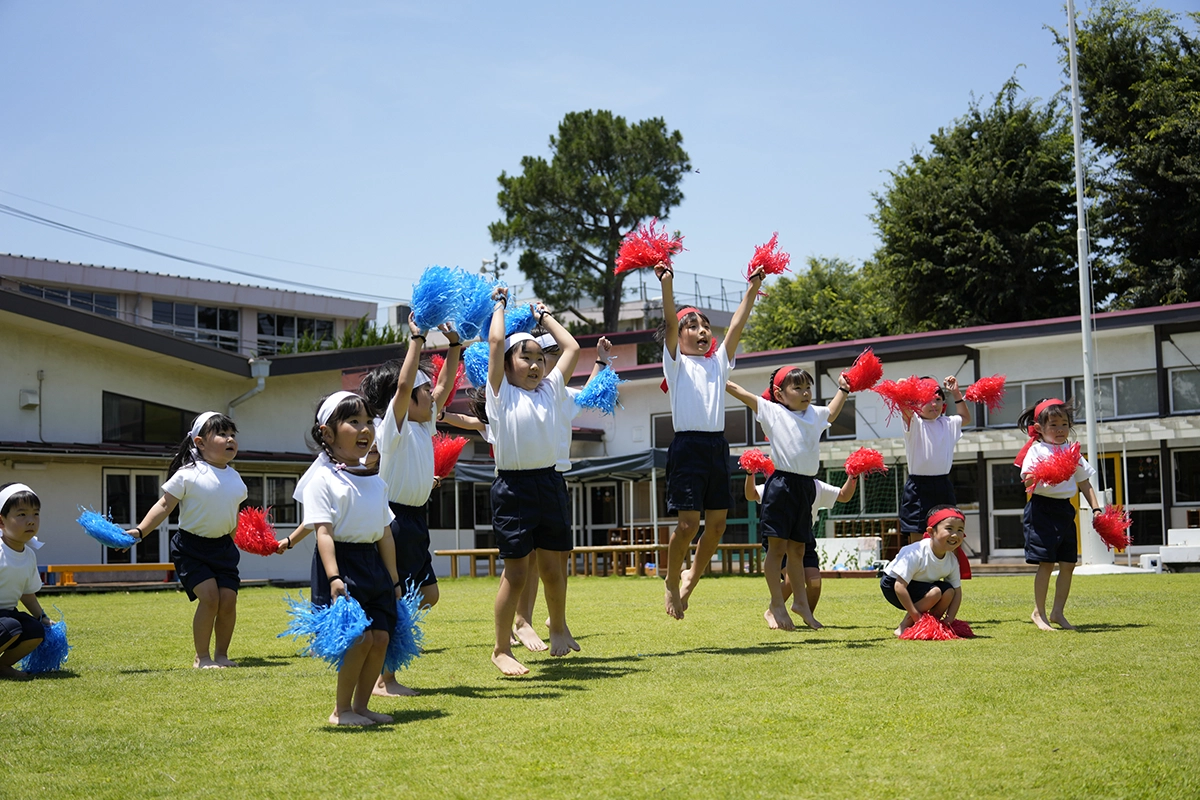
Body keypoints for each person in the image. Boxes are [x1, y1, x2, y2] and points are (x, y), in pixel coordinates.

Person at [357, 315, 460, 696]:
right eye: (423, 390)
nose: (431, 396)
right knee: (398, 597)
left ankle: (384, 635)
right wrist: (416, 339)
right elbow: (402, 385)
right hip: (395, 520)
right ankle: (386, 678)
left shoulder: (420, 424)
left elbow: (445, 386)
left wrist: (454, 346)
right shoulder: (391, 425)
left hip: (415, 520)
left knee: (428, 595)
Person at [657, 262, 766, 620]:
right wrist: (668, 283)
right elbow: (671, 322)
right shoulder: (675, 363)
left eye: (705, 326)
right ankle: (672, 580)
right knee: (688, 524)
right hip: (687, 448)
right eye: (694, 326)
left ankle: (691, 580)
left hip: (717, 447)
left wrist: (753, 286)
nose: (702, 331)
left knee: (717, 525)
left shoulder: (719, 362)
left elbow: (737, 324)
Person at [485, 288, 581, 675]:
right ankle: (500, 647)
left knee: (554, 569)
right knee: (518, 572)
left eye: (541, 358)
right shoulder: (500, 393)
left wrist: (544, 317)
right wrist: (500, 305)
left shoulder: (550, 391)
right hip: (513, 489)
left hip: (549, 483)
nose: (537, 364)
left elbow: (571, 347)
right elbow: (495, 340)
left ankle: (557, 626)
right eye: (525, 357)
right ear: (506, 366)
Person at [293, 390, 403, 725]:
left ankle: (362, 706)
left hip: (374, 565)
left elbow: (384, 533)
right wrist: (334, 577)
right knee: (359, 638)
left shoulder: (374, 480)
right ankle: (341, 710)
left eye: (368, 421)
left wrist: (395, 579)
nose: (365, 429)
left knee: (381, 637)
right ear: (327, 432)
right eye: (353, 422)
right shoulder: (322, 481)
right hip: (343, 564)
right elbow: (323, 532)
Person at [506, 333, 612, 653]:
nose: (544, 360)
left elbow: (589, 394)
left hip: (555, 478)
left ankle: (555, 620)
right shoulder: (519, 395)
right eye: (539, 354)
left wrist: (602, 361)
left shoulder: (558, 392)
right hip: (528, 478)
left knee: (557, 559)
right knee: (529, 560)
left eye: (548, 354)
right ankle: (521, 619)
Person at [727, 369, 850, 630]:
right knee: (777, 549)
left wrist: (844, 389)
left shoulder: (814, 415)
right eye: (798, 388)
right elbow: (741, 393)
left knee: (798, 549)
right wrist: (715, 377)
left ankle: (801, 604)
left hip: (805, 487)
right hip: (781, 486)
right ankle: (777, 604)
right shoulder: (772, 412)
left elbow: (832, 411)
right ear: (780, 394)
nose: (805, 392)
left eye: (808, 387)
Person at [129, 412, 246, 668]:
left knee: (228, 600)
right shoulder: (187, 474)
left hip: (223, 548)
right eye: (222, 434)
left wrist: (233, 542)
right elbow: (163, 505)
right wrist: (139, 532)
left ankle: (222, 656)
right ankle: (202, 658)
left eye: (232, 435)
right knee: (210, 598)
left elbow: (232, 516)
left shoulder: (236, 478)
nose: (230, 439)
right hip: (191, 547)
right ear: (200, 442)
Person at [1016, 398, 1102, 632]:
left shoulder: (1072, 451)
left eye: (1064, 424)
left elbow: (1085, 483)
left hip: (1065, 509)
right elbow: (1028, 481)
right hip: (1042, 509)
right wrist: (1046, 473)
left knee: (1068, 564)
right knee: (1046, 563)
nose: (1060, 429)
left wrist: (1096, 509)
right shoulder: (1036, 450)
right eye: (1053, 425)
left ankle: (1057, 613)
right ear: (1040, 428)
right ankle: (1038, 612)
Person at [743, 470, 857, 621]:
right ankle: (773, 610)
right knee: (790, 580)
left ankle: (807, 615)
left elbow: (844, 495)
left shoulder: (816, 486)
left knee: (815, 582)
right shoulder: (777, 484)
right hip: (780, 537)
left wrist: (853, 476)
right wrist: (749, 473)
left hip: (804, 537)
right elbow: (751, 494)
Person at [899, 377, 972, 545]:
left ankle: (944, 569)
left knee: (947, 532)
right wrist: (904, 389)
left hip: (943, 485)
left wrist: (955, 392)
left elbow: (965, 418)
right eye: (927, 400)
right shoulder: (914, 423)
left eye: (938, 399)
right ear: (916, 404)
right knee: (917, 538)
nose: (934, 404)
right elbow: (905, 409)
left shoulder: (947, 423)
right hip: (918, 487)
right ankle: (917, 570)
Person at [880, 505, 965, 636]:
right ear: (931, 532)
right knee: (935, 592)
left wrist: (949, 620)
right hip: (893, 585)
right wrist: (916, 617)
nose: (955, 534)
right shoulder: (916, 552)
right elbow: (899, 586)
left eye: (960, 530)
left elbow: (957, 592)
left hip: (920, 584)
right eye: (949, 528)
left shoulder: (952, 560)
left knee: (948, 591)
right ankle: (904, 627)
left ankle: (933, 625)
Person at [0, 483, 50, 681]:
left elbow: (27, 594)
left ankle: (2, 667)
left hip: (6, 615)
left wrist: (43, 618)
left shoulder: (29, 555)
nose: (31, 521)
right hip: (5, 622)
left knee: (35, 631)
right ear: (1, 522)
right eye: (21, 515)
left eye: (35, 514)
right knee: (10, 627)